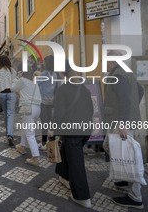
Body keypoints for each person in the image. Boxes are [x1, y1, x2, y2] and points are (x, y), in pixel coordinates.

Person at [103, 50, 145, 209]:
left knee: (130, 156)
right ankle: (126, 180)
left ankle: (136, 196)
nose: (105, 63)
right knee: (109, 146)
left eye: (107, 60)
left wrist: (122, 122)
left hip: (121, 121)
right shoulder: (127, 73)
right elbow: (139, 91)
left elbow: (125, 100)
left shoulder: (118, 76)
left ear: (112, 61)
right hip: (124, 119)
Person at [53, 61, 93, 208]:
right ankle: (64, 176)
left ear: (62, 73)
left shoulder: (62, 90)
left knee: (76, 162)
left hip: (72, 132)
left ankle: (82, 197)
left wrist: (53, 129)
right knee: (66, 150)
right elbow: (91, 110)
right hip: (86, 130)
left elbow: (58, 114)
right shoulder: (85, 89)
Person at [11, 70, 42, 166]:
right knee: (25, 128)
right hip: (37, 109)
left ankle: (36, 158)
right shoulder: (34, 83)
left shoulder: (23, 80)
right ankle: (22, 146)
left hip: (28, 108)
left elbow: (13, 88)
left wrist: (16, 78)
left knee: (30, 134)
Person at [37, 55, 58, 149]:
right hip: (51, 101)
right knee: (50, 122)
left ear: (47, 63)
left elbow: (37, 84)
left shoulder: (44, 73)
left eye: (44, 62)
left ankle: (44, 143)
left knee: (44, 123)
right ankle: (51, 142)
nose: (43, 63)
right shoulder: (55, 74)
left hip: (43, 101)